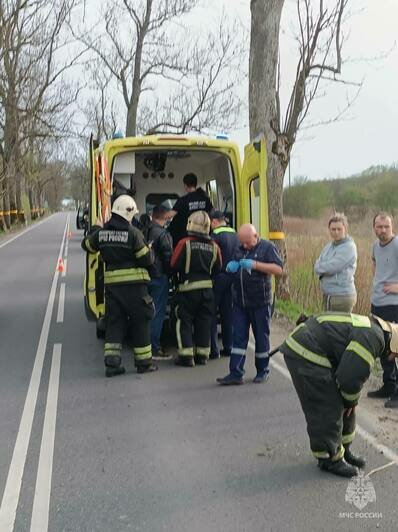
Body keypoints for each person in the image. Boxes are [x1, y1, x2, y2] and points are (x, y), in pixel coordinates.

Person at [278, 312, 398, 477]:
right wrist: (350, 400)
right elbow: (349, 378)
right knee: (328, 405)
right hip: (306, 351)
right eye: (396, 355)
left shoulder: (376, 330)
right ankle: (329, 458)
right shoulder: (374, 338)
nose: (393, 359)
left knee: (348, 402)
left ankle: (343, 450)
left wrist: (350, 401)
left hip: (318, 349)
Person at [82, 195, 158, 377]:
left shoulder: (101, 234)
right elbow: (145, 259)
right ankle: (144, 363)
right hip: (135, 288)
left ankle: (112, 364)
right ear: (129, 212)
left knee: (114, 324)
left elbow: (87, 246)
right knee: (140, 323)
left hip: (113, 289)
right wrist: (150, 249)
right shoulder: (134, 234)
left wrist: (95, 229)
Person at [217, 224, 283, 385]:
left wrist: (256, 265)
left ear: (256, 236)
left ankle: (262, 371)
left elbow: (278, 269)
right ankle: (235, 372)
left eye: (247, 242)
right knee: (238, 338)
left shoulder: (267, 247)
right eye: (242, 243)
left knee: (261, 337)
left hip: (260, 301)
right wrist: (229, 267)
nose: (244, 246)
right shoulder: (239, 248)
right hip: (240, 301)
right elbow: (233, 264)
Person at [171, 210, 222, 367]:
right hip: (208, 291)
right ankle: (202, 356)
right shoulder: (214, 246)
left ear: (190, 224)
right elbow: (218, 267)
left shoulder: (183, 243)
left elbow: (173, 264)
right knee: (204, 321)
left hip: (187, 290)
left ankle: (186, 356)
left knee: (184, 320)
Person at [367, 213, 398, 408]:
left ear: (392, 226)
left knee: (397, 348)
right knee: (383, 347)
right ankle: (389, 384)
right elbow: (376, 268)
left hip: (395, 305)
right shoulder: (375, 247)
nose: (383, 230)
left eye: (386, 226)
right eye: (379, 226)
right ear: (374, 227)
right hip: (377, 303)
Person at [209, 210, 239, 359]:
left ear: (214, 221)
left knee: (211, 313)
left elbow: (212, 258)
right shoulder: (236, 234)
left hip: (218, 278)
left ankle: (214, 350)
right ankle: (229, 347)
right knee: (228, 314)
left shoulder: (214, 236)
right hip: (232, 278)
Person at [145, 205, 173, 360]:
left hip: (145, 276)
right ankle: (154, 348)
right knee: (157, 313)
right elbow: (169, 258)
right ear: (165, 217)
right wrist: (172, 274)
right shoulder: (163, 234)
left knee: (147, 312)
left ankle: (145, 345)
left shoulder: (145, 230)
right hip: (159, 277)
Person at [314, 213, 357, 312]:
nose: (336, 232)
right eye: (333, 229)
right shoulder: (329, 246)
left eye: (339, 229)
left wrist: (321, 267)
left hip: (342, 296)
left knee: (338, 327)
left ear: (345, 229)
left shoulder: (349, 247)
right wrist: (320, 267)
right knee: (328, 326)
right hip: (329, 295)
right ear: (329, 230)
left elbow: (333, 267)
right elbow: (317, 264)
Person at [167, 173, 213, 245]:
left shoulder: (183, 200)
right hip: (204, 235)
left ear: (185, 185)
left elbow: (170, 215)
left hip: (186, 235)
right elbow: (212, 212)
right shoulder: (205, 198)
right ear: (195, 184)